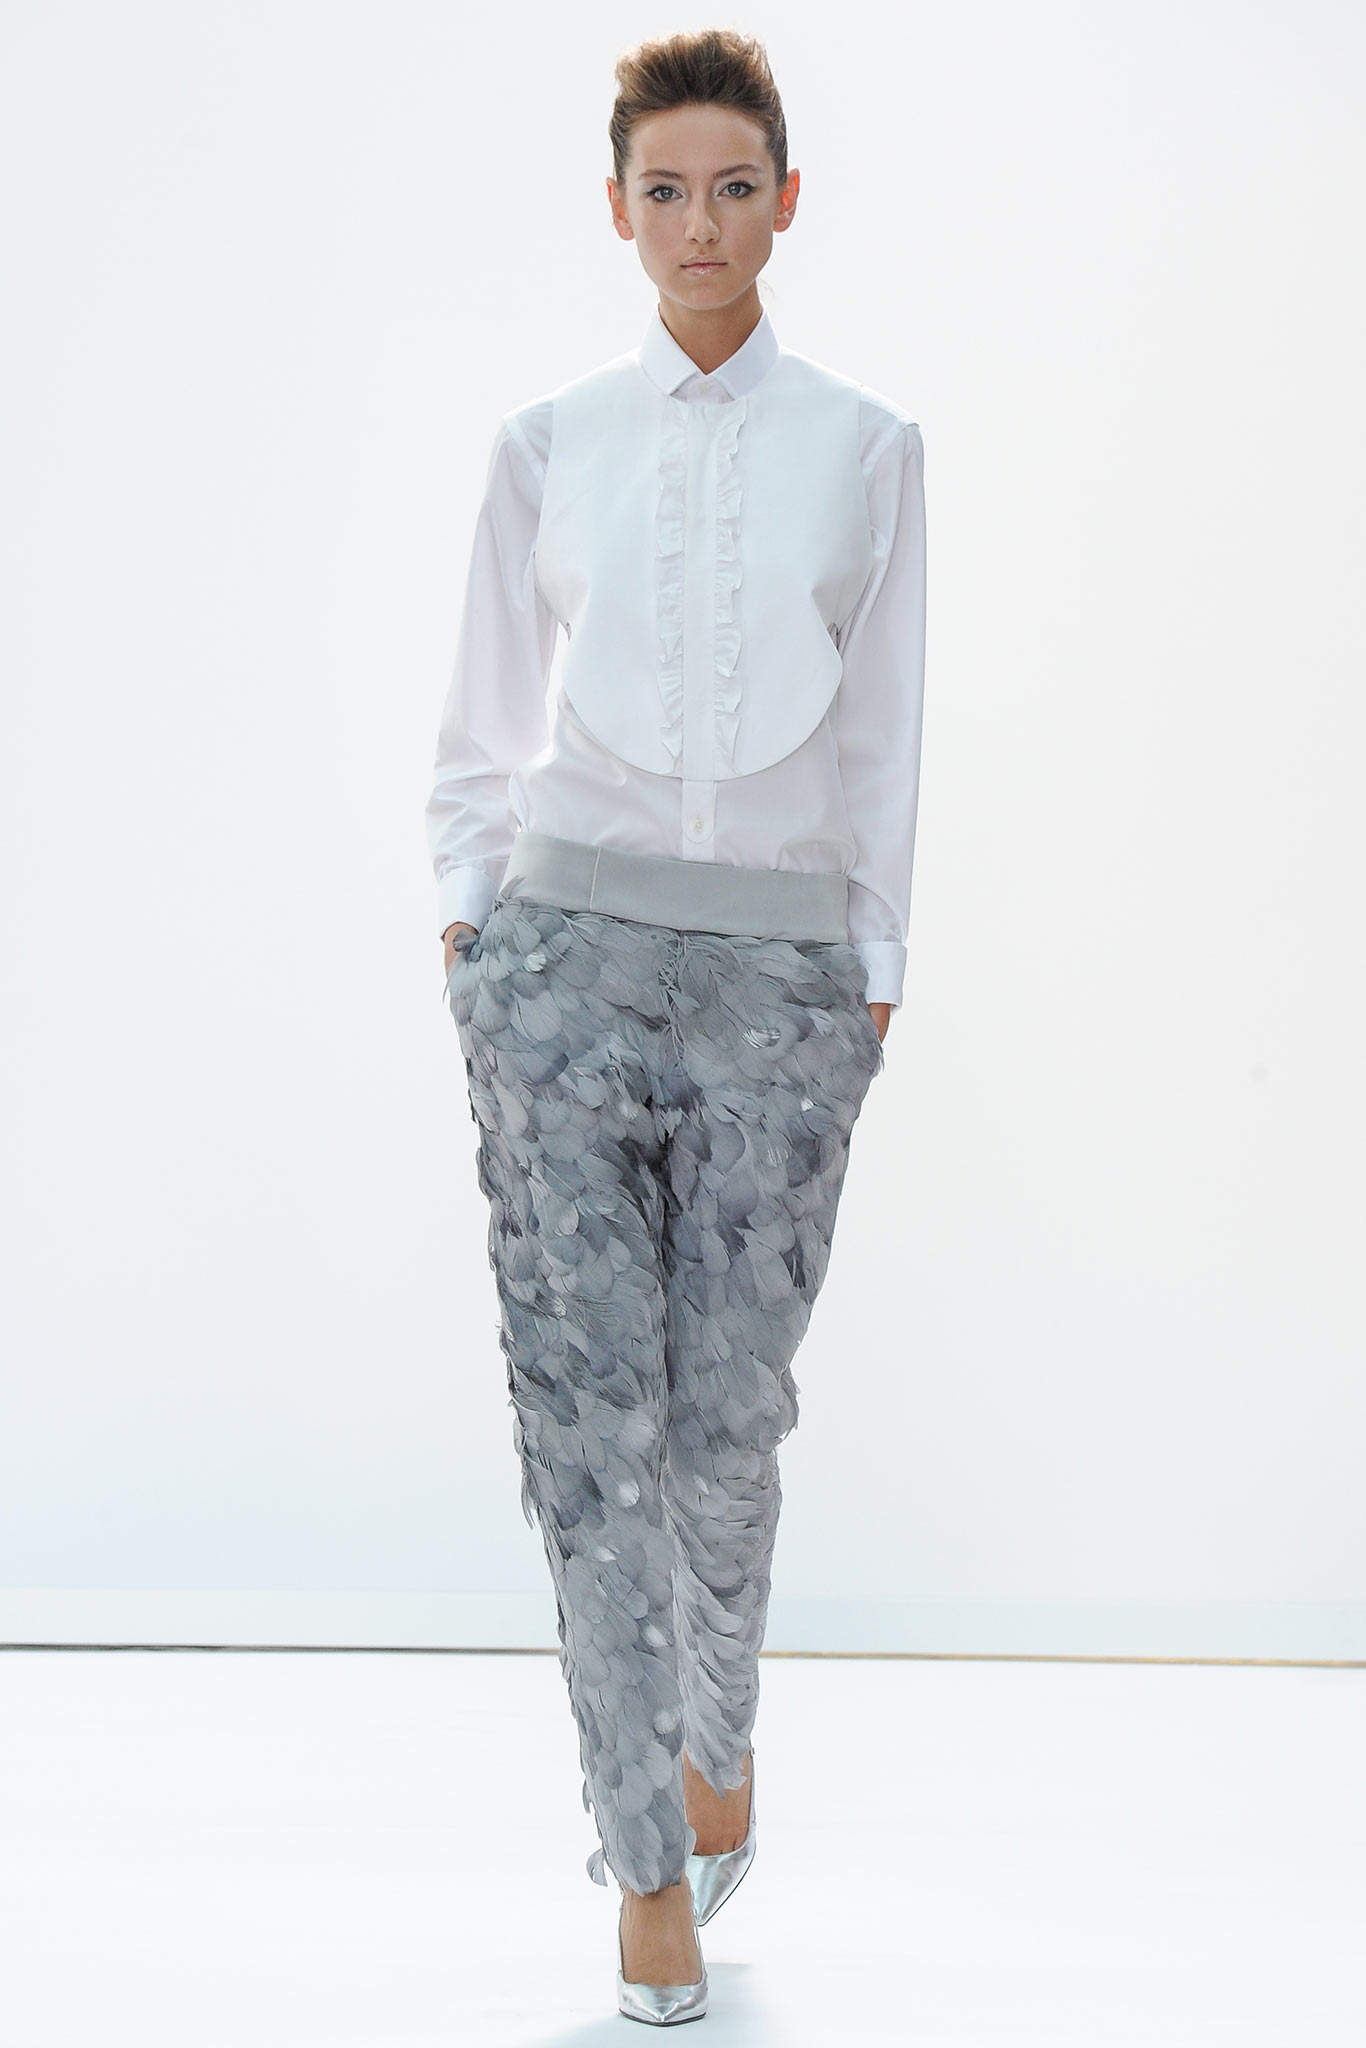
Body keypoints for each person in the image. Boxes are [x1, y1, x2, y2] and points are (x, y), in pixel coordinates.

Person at [424, 26, 926, 2028]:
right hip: (562, 969)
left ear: (784, 202)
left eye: (731, 188)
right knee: (589, 1437)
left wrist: (870, 966)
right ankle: (644, 1863)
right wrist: (473, 935)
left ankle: (718, 1727)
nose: (697, 224)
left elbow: (883, 730)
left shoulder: (867, 448)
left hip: (779, 991)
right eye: (662, 190)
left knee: (725, 1429)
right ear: (616, 209)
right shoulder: (546, 440)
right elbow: (478, 718)